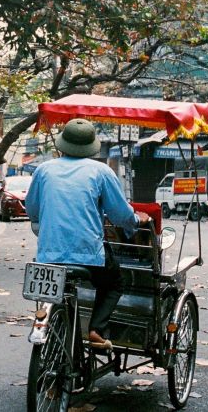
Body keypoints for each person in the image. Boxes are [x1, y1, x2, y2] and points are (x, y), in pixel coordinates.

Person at [25, 118, 144, 350]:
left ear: (63, 144)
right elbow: (120, 215)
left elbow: (32, 210)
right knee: (114, 282)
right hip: (88, 257)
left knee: (52, 294)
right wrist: (136, 222)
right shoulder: (101, 171)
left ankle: (49, 323)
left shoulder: (43, 170)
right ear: (91, 146)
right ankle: (96, 329)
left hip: (48, 256)